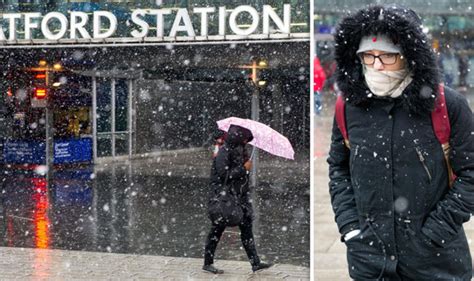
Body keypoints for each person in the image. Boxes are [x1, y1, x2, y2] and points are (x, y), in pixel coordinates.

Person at [327, 4, 474, 280]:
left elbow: (471, 173)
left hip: (436, 262)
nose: (377, 65)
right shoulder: (347, 107)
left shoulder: (447, 105)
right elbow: (339, 169)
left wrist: (435, 232)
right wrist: (350, 228)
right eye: (368, 56)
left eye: (388, 56)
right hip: (370, 262)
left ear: (409, 55)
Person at [203, 125, 272, 274]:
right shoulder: (224, 152)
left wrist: (244, 170)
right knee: (217, 229)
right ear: (239, 137)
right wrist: (244, 168)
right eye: (246, 139)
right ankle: (207, 262)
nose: (247, 142)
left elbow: (238, 175)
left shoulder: (241, 151)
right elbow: (223, 175)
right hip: (224, 197)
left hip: (240, 196)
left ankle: (255, 262)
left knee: (247, 228)